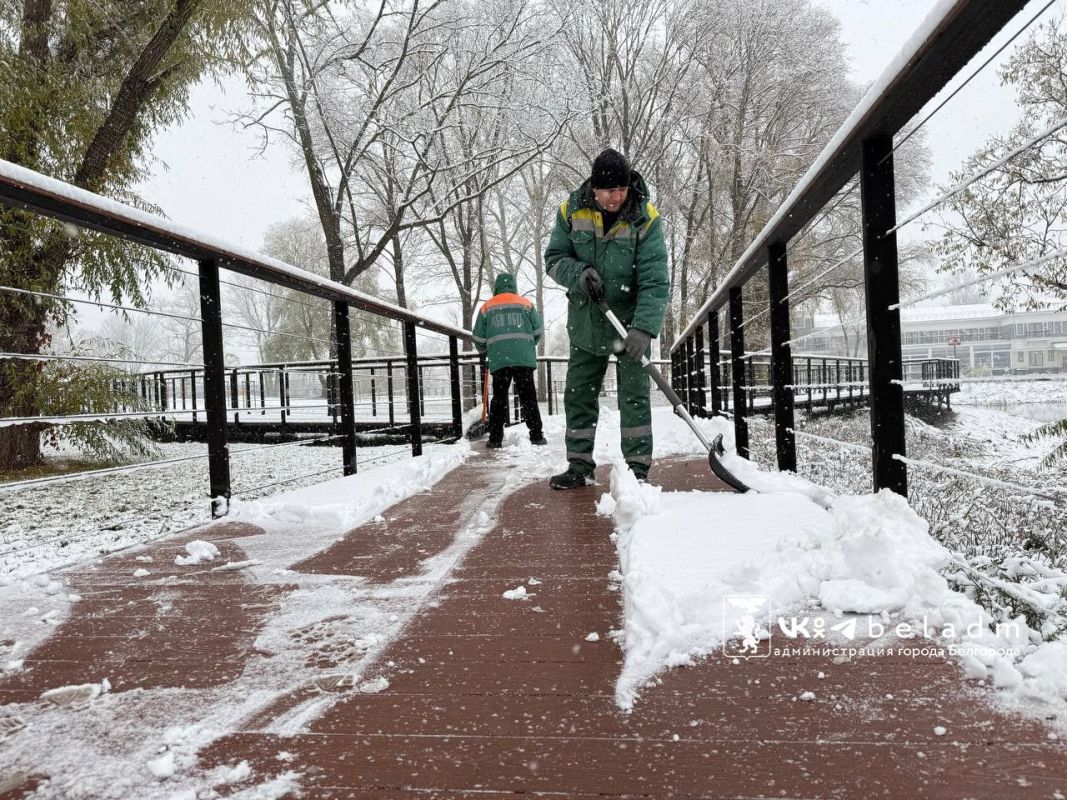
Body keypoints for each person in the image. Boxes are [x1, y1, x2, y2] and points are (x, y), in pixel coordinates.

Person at [543, 148, 668, 489]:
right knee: (579, 395)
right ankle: (578, 465)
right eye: (609, 191)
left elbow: (655, 280)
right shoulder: (571, 211)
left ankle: (637, 470)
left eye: (622, 189)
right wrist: (578, 273)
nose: (617, 197)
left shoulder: (645, 218)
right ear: (594, 188)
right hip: (586, 320)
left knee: (635, 396)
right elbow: (554, 259)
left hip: (629, 324)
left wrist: (644, 328)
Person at [472, 272, 547, 449]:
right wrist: (527, 346)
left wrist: (485, 350)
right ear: (514, 285)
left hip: (500, 360)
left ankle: (495, 438)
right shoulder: (526, 304)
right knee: (528, 398)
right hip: (523, 359)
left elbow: (478, 337)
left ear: (497, 286)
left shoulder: (487, 307)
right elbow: (538, 331)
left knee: (499, 399)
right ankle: (536, 436)